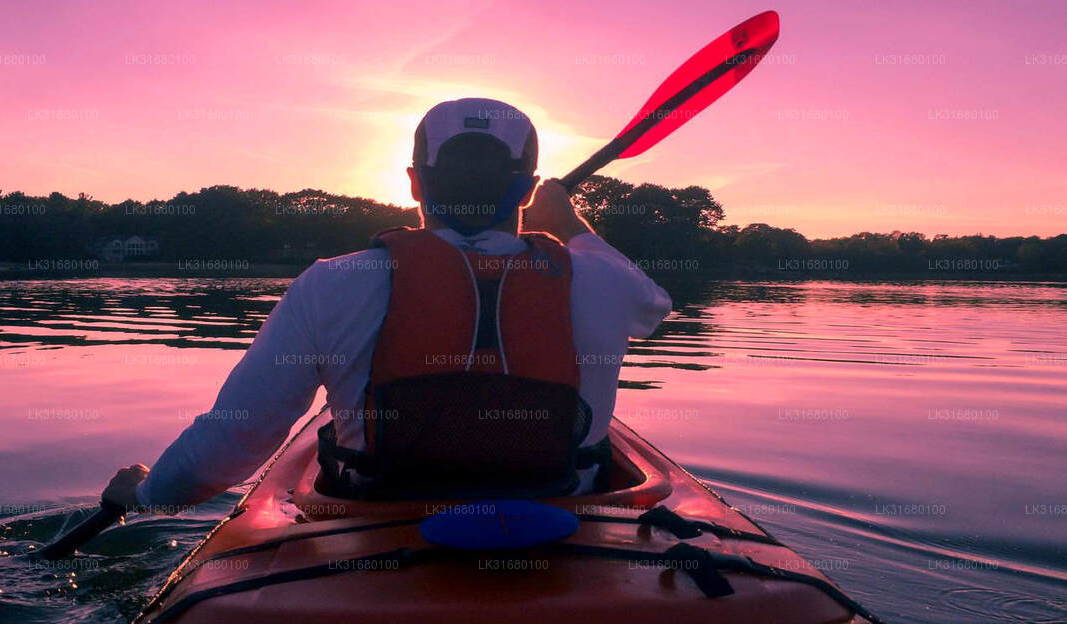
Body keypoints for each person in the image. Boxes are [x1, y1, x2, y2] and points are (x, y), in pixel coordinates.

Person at [103, 98, 672, 508]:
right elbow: (654, 305)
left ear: (414, 182)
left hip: (378, 525)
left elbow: (230, 444)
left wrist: (145, 494)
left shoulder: (332, 283)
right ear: (527, 188)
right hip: (564, 526)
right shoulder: (604, 280)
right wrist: (571, 222)